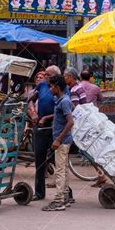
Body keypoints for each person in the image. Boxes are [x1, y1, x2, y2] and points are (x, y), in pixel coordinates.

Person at [42, 75, 73, 211]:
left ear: (57, 87)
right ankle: (65, 196)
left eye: (51, 86)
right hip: (64, 141)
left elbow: (70, 122)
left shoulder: (64, 101)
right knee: (64, 169)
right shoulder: (61, 100)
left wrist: (58, 139)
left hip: (62, 141)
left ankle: (59, 200)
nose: (50, 89)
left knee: (60, 170)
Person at [29, 65, 60, 202]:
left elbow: (63, 108)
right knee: (39, 161)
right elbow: (30, 100)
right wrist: (33, 113)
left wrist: (47, 118)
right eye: (45, 74)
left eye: (48, 75)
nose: (45, 76)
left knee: (59, 162)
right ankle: (39, 192)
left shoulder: (60, 88)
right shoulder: (41, 86)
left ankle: (65, 192)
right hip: (40, 126)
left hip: (55, 127)